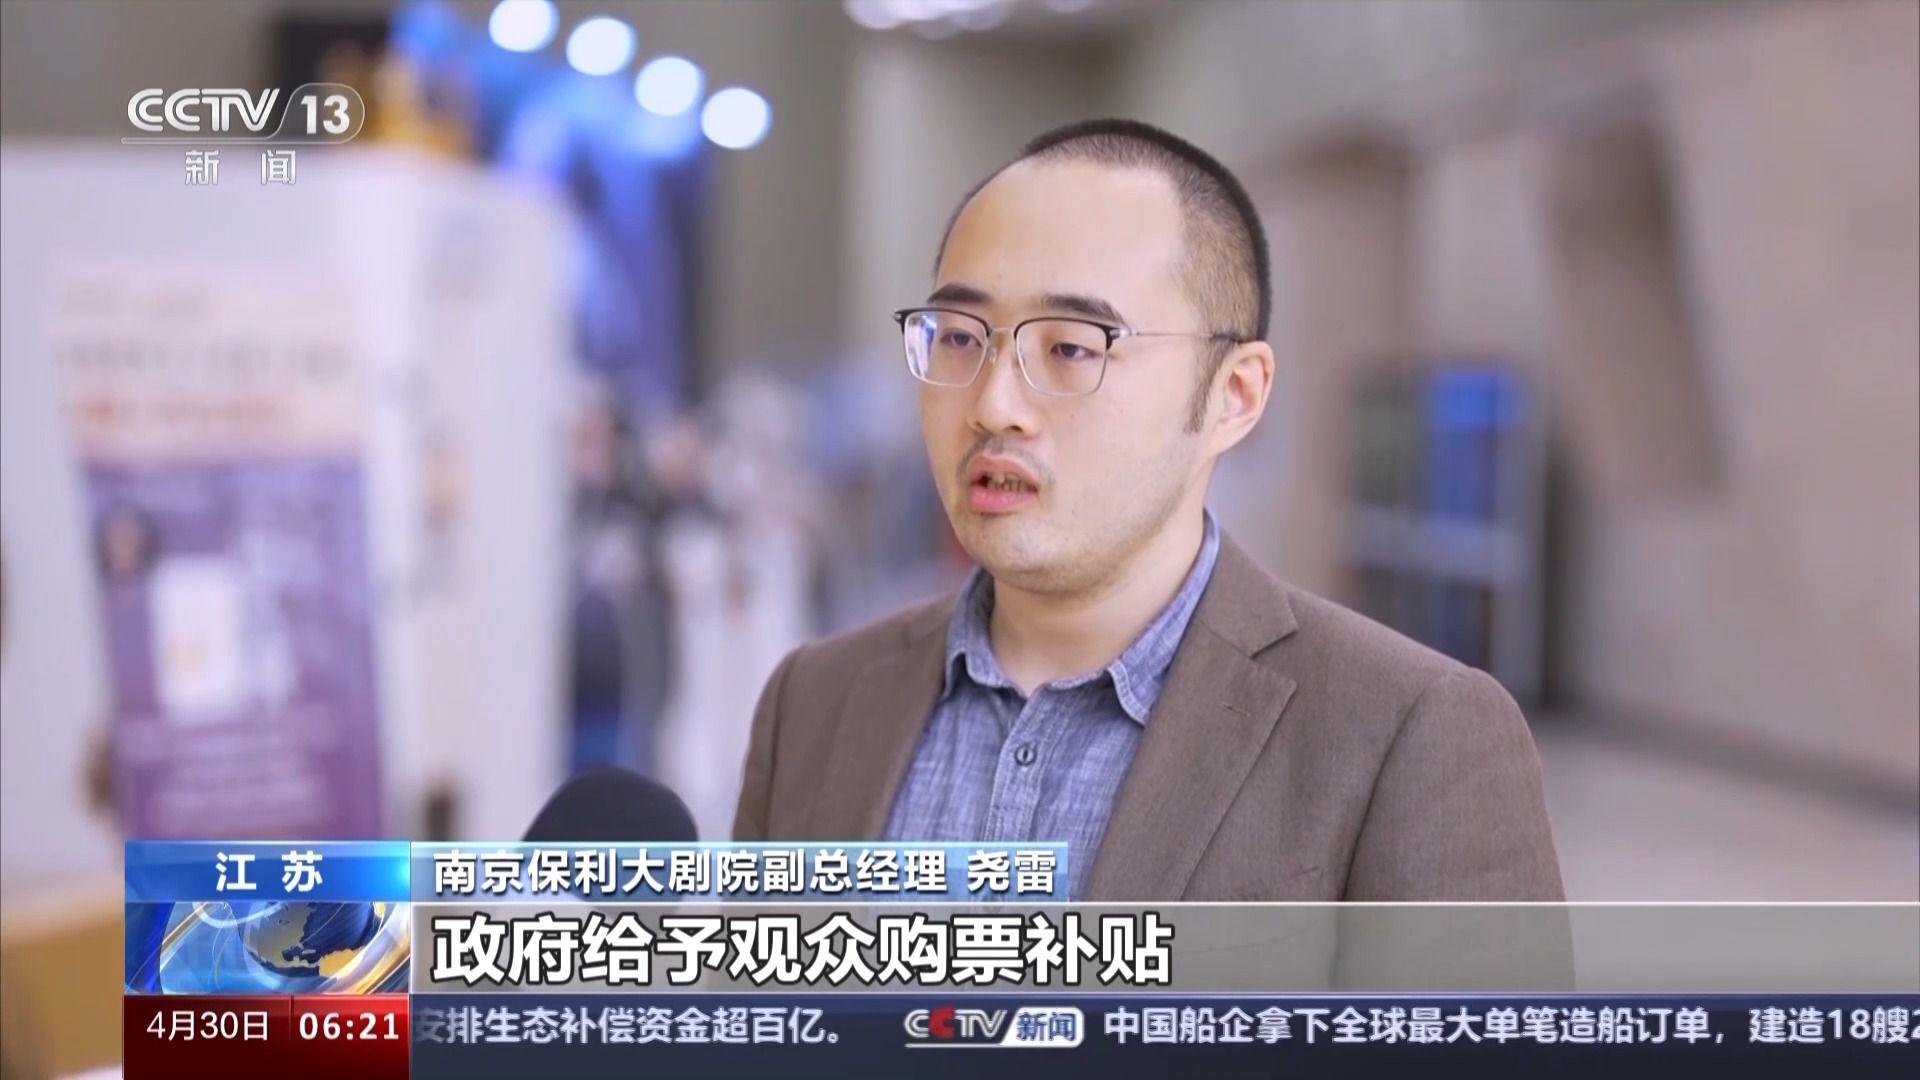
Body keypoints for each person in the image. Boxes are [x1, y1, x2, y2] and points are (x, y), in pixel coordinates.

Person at [731, 119, 1564, 902]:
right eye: (957, 337)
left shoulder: (1409, 735)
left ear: (1234, 395)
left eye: (1069, 347)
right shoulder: (816, 702)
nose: (992, 406)